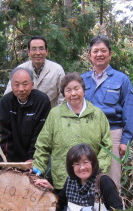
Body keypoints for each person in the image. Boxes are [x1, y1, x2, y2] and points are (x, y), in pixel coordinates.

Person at [33, 72, 113, 202]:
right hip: (62, 178)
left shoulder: (97, 114)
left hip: (90, 178)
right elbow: (43, 144)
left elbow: (107, 145)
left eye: (77, 89)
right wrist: (37, 169)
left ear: (83, 90)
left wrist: (97, 170)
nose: (73, 94)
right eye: (68, 90)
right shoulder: (55, 114)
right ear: (64, 94)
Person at [82, 35, 133, 192]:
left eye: (103, 51)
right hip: (87, 133)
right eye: (95, 51)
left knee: (112, 178)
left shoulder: (121, 79)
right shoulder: (82, 80)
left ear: (110, 54)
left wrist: (125, 140)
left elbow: (129, 110)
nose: (99, 54)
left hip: (113, 133)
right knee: (87, 175)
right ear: (90, 55)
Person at [0, 67, 51, 162]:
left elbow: (41, 135)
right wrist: (6, 161)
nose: (21, 89)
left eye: (25, 84)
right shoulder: (6, 102)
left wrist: (33, 158)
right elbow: (5, 135)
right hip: (12, 156)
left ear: (32, 84)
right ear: (11, 85)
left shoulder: (42, 101)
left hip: (37, 156)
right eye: (17, 85)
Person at [4, 36, 65, 108]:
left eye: (41, 49)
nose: (38, 53)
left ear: (46, 51)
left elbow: (63, 98)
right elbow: (7, 96)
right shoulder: (20, 70)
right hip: (24, 114)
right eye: (34, 49)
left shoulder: (57, 70)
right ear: (29, 52)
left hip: (50, 115)